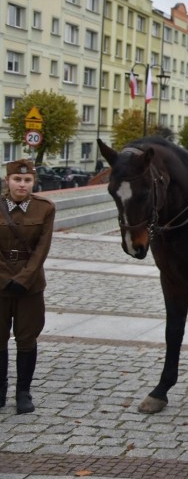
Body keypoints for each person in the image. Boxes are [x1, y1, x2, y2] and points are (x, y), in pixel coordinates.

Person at [0, 159, 56, 414]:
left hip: (30, 287)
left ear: (33, 182)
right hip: (0, 285)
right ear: (7, 180)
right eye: (17, 179)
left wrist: (24, 279)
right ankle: (0, 390)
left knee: (26, 338)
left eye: (27, 180)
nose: (22, 184)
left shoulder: (44, 208)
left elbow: (42, 248)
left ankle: (23, 392)